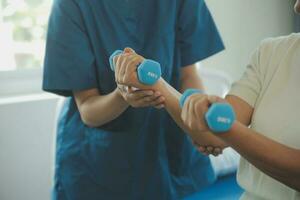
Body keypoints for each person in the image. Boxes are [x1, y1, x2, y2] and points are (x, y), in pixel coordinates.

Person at [113, 2, 300, 199]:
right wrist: (155, 83)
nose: (296, 6)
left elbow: (223, 128)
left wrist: (227, 130)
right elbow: (210, 135)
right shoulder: (271, 52)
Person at [42, 0, 225, 199]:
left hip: (171, 149)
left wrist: (197, 124)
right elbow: (87, 108)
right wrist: (122, 96)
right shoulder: (72, 5)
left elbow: (188, 75)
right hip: (100, 165)